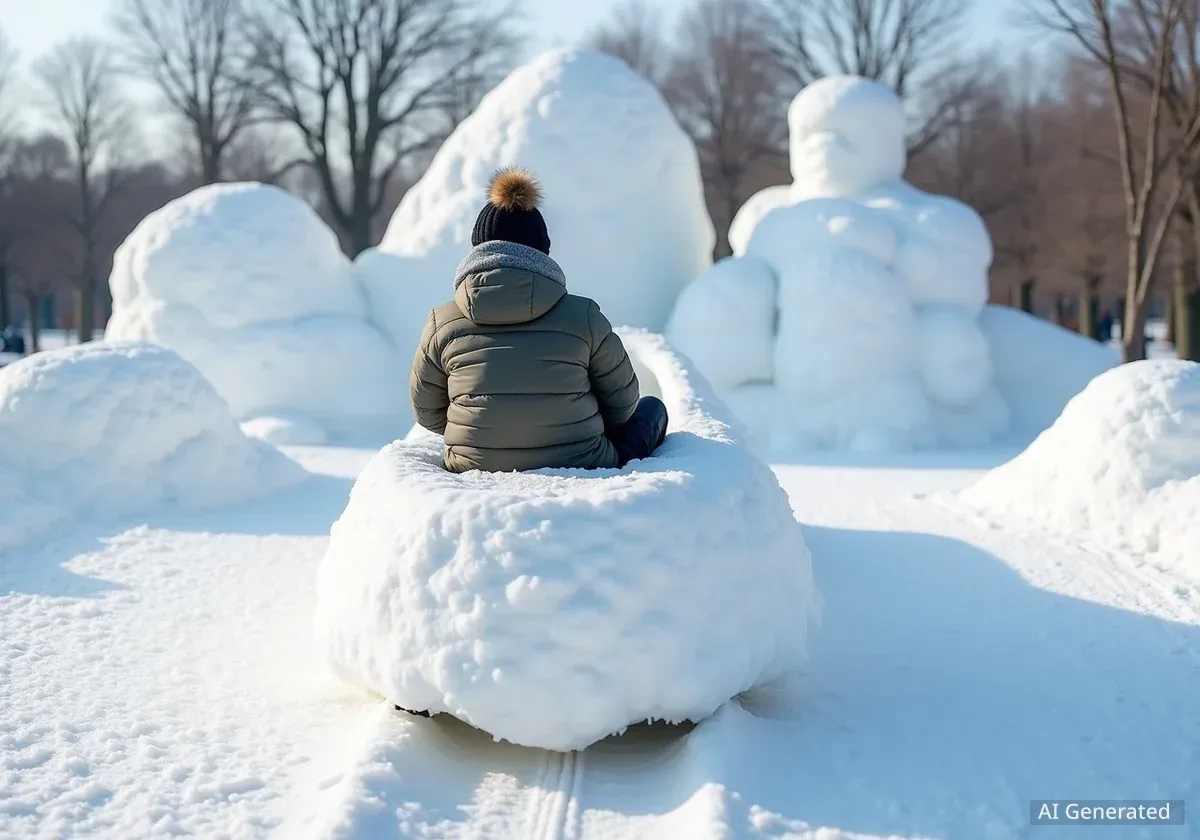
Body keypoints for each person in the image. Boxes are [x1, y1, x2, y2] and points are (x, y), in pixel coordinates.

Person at [409, 167, 668, 473]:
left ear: (477, 251)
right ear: (542, 251)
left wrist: (485, 431)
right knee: (652, 408)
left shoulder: (442, 322)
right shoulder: (584, 316)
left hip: (473, 464)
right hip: (584, 463)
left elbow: (427, 411)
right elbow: (623, 404)